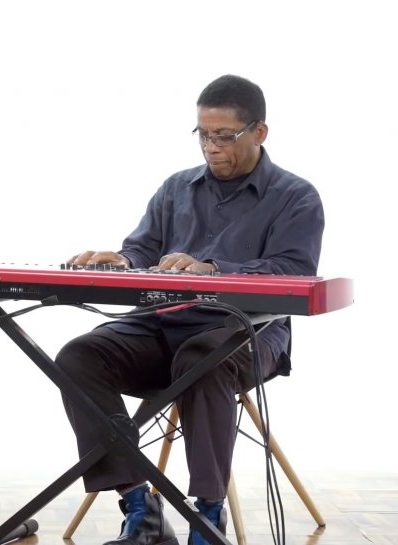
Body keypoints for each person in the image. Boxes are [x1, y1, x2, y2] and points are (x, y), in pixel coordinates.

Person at [59, 74, 323, 545]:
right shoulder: (176, 188)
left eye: (224, 135)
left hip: (247, 332)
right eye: (203, 134)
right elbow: (141, 251)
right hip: (163, 327)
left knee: (201, 359)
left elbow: (294, 271)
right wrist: (122, 262)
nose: (211, 146)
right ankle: (140, 507)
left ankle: (207, 518)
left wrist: (214, 270)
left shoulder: (296, 197)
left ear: (259, 132)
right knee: (80, 357)